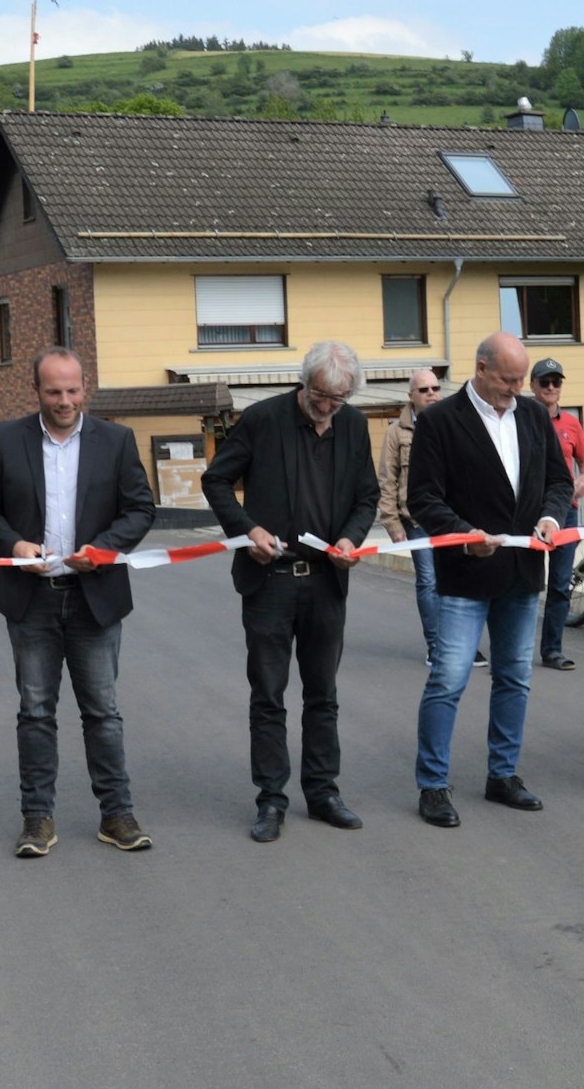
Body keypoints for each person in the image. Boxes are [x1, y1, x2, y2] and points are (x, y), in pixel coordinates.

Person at [0, 347, 158, 858]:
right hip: (30, 600)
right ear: (37, 391)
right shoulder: (7, 440)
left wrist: (104, 549)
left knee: (104, 712)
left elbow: (140, 509)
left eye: (73, 390)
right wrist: (13, 544)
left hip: (96, 598)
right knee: (35, 712)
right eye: (54, 391)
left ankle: (116, 815)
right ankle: (37, 819)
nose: (65, 400)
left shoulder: (116, 441)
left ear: (84, 386)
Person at [202, 342, 381, 842]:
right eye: (321, 397)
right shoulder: (262, 420)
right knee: (269, 696)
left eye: (338, 400)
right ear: (304, 384)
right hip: (271, 581)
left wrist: (350, 537)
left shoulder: (353, 424)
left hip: (327, 580)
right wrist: (247, 529)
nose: (328, 410)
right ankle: (271, 800)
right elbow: (216, 480)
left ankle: (323, 793)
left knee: (323, 695)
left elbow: (368, 495)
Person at [408, 332, 573, 827]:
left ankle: (503, 775)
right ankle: (433, 785)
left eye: (520, 380)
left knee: (515, 678)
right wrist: (463, 535)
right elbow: (423, 498)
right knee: (449, 678)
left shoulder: (532, 416)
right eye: (507, 379)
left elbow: (559, 482)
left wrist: (550, 518)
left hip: (521, 573)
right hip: (464, 573)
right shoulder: (439, 421)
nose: (516, 388)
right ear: (480, 369)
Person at [377, 368, 475, 668]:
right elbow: (387, 479)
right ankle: (436, 645)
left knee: (457, 582)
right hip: (417, 522)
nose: (432, 393)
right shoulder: (397, 433)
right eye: (424, 390)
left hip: (453, 521)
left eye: (435, 388)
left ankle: (458, 642)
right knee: (429, 582)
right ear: (411, 396)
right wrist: (392, 524)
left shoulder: (453, 424)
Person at [533, 357, 584, 671]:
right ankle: (511, 647)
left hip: (566, 512)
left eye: (556, 382)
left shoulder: (571, 423)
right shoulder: (523, 418)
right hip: (528, 512)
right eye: (545, 382)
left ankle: (552, 650)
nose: (551, 387)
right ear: (533, 386)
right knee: (521, 582)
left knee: (559, 583)